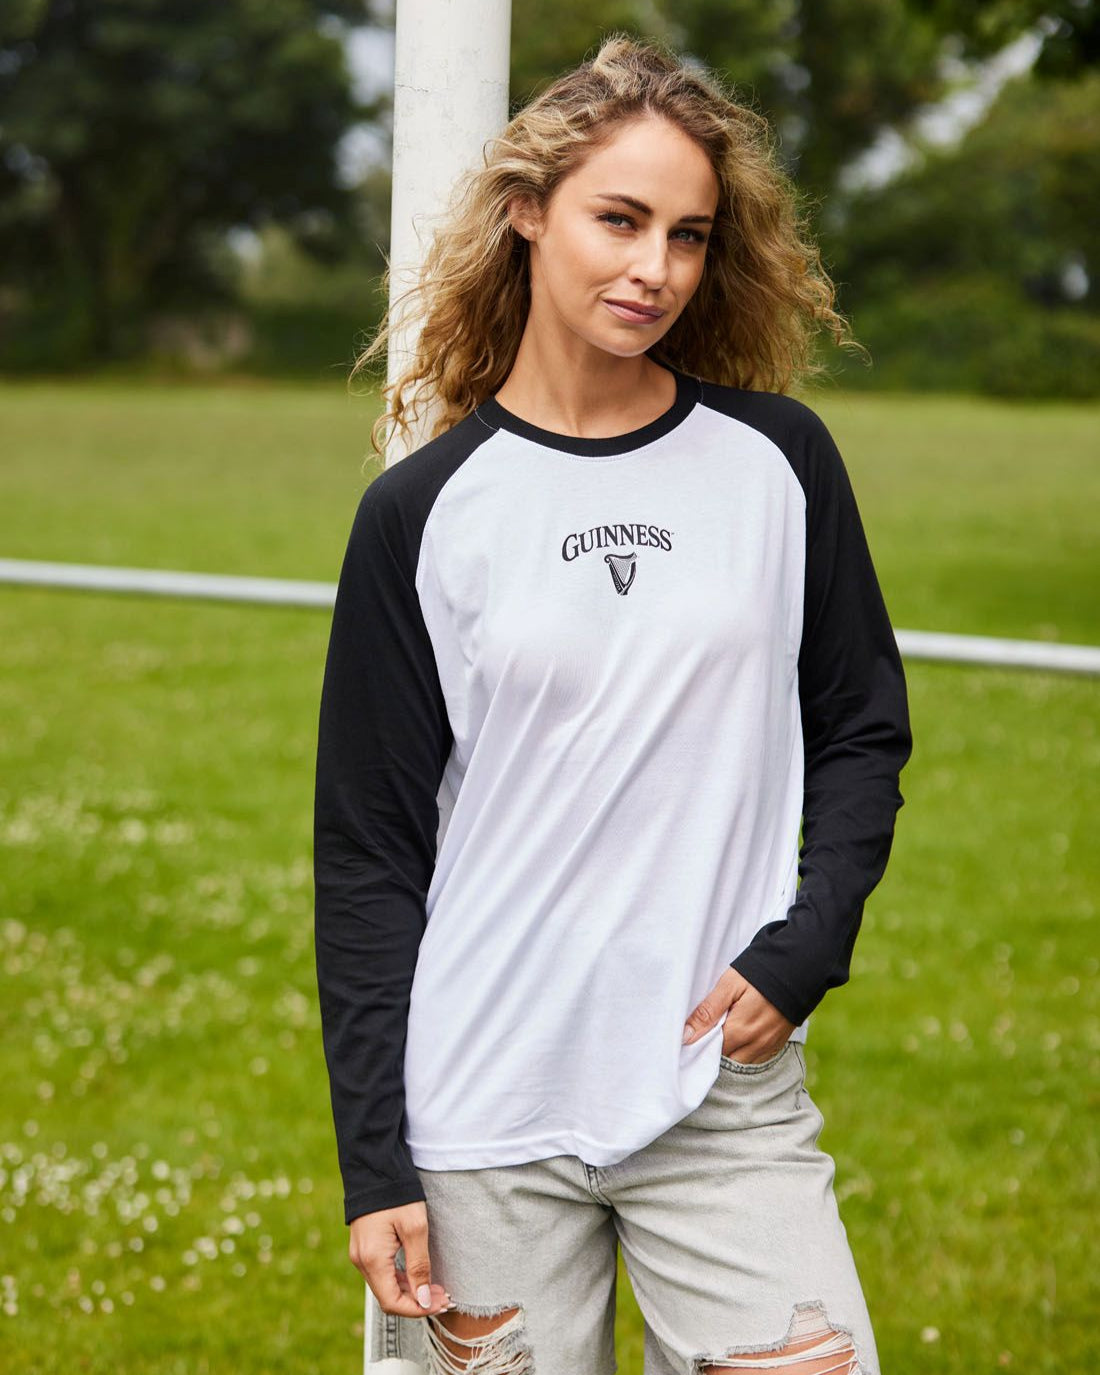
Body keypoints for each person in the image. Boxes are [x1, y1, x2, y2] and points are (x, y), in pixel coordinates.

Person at [314, 31, 912, 1375]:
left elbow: (863, 725)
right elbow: (368, 856)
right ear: (527, 212)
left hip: (719, 1093)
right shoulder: (420, 514)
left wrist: (805, 944)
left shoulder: (777, 464)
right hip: (482, 1113)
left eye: (689, 235)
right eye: (621, 220)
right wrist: (375, 1166)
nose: (657, 269)